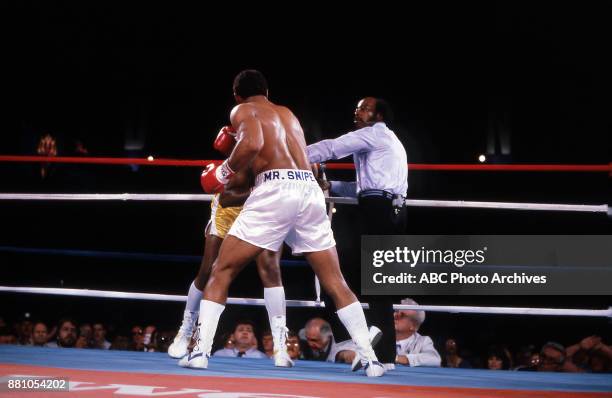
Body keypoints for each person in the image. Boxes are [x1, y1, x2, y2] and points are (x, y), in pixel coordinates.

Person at [181, 69, 384, 377]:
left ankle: (199, 353)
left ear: (237, 95)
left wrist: (222, 171)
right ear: (267, 91)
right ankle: (371, 360)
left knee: (222, 269)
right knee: (335, 282)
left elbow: (251, 144)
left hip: (275, 188)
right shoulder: (287, 113)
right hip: (308, 190)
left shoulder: (243, 110)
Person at [167, 130, 292, 367]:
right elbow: (226, 198)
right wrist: (264, 190)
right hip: (229, 213)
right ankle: (186, 332)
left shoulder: (273, 154)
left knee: (271, 270)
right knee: (208, 272)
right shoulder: (236, 161)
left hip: (261, 212)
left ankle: (280, 348)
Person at [307, 97, 408, 367]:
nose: (357, 111)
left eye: (364, 108)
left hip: (378, 209)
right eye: (357, 108)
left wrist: (289, 156)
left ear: (378, 115)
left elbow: (332, 147)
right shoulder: (388, 142)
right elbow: (364, 188)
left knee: (337, 272)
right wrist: (331, 185)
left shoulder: (373, 135)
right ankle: (383, 353)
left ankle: (366, 340)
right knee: (377, 283)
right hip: (389, 209)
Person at [393, 298, 441, 367]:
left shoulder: (422, 341)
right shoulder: (379, 335)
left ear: (413, 325)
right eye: (396, 311)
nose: (395, 315)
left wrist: (399, 358)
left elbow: (435, 359)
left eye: (402, 315)